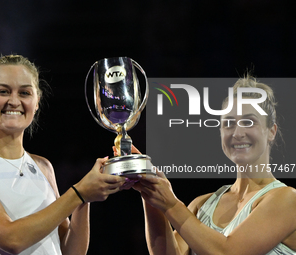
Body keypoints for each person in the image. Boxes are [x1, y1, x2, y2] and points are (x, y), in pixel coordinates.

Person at [0, 54, 126, 255]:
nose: (14, 101)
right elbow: (12, 239)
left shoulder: (43, 167)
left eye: (25, 93)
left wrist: (85, 198)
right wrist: (79, 192)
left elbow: (71, 251)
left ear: (37, 102)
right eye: (3, 91)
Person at [124, 76, 296, 255]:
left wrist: (171, 205)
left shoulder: (288, 200)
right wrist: (150, 190)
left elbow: (228, 252)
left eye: (248, 122)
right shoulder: (202, 205)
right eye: (228, 123)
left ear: (271, 131)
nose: (237, 133)